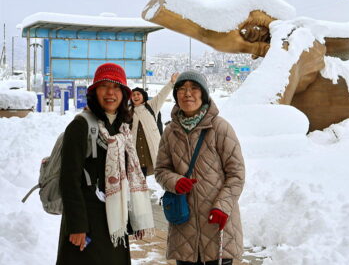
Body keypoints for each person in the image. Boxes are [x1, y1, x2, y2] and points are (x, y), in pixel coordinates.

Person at [57, 63, 154, 265]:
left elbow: (127, 175)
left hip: (114, 221)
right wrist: (77, 226)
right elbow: (68, 179)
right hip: (87, 223)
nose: (111, 92)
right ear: (94, 92)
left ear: (124, 93)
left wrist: (135, 217)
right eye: (104, 86)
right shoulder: (80, 125)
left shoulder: (122, 127)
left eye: (117, 86)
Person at [155, 70, 245, 265]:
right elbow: (161, 170)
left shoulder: (220, 128)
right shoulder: (170, 131)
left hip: (217, 222)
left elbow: (236, 174)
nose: (188, 93)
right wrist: (175, 182)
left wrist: (222, 206)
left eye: (194, 88)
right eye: (182, 89)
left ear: (203, 94)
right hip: (183, 224)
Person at [130, 72, 179, 178]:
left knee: (162, 173)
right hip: (136, 150)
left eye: (138, 94)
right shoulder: (128, 111)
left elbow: (162, 95)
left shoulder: (151, 106)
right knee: (139, 176)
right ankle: (141, 192)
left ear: (143, 96)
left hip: (151, 148)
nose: (136, 96)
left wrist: (171, 83)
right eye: (133, 95)